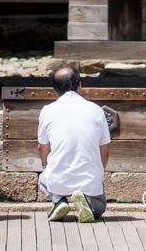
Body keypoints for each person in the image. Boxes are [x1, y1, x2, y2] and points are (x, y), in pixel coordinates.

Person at [37, 65, 111, 222]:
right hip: (89, 179)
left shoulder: (47, 111)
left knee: (42, 179)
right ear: (79, 85)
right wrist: (98, 172)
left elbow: (42, 147)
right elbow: (104, 151)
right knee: (100, 206)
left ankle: (59, 201)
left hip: (58, 179)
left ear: (55, 89)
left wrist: (47, 166)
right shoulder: (96, 110)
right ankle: (87, 201)